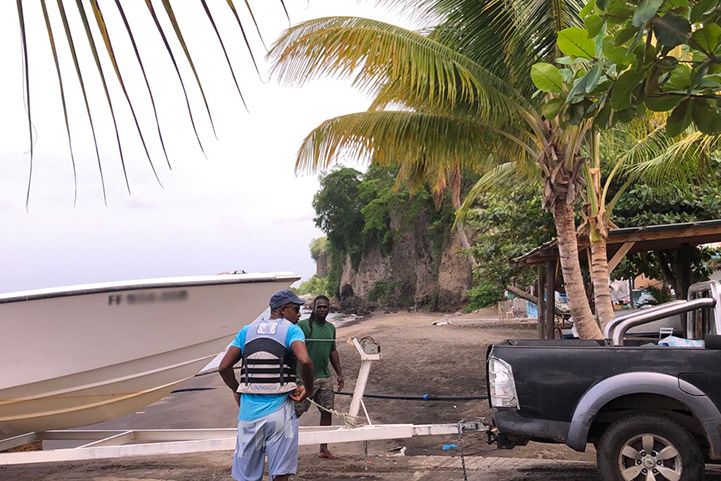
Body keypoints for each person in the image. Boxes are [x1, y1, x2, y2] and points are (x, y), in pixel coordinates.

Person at [219, 289, 314, 481]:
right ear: (283, 310)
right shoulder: (292, 330)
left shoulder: (246, 331)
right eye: (296, 309)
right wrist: (309, 389)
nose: (299, 314)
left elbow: (224, 367)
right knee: (280, 471)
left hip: (249, 414)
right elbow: (304, 361)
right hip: (280, 411)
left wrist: (237, 388)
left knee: (246, 474)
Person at [294, 295, 344, 459]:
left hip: (324, 377)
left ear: (328, 308)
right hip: (304, 378)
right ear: (313, 309)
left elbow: (333, 351)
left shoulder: (331, 328)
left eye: (325, 307)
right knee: (294, 413)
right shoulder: (302, 326)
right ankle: (284, 446)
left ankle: (323, 448)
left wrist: (339, 374)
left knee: (327, 411)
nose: (322, 309)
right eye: (319, 307)